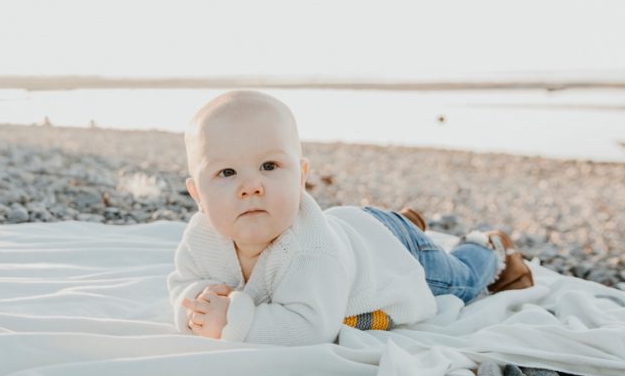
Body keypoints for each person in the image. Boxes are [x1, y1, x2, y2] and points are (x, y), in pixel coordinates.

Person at [166, 89, 534, 345]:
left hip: (392, 251)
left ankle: (486, 245)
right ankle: (407, 221)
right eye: (226, 173)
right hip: (356, 230)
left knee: (463, 281)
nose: (250, 186)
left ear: (301, 176)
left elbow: (311, 326)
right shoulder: (202, 236)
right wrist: (196, 302)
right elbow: (183, 282)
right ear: (197, 194)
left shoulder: (309, 251)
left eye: (269, 165)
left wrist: (232, 321)